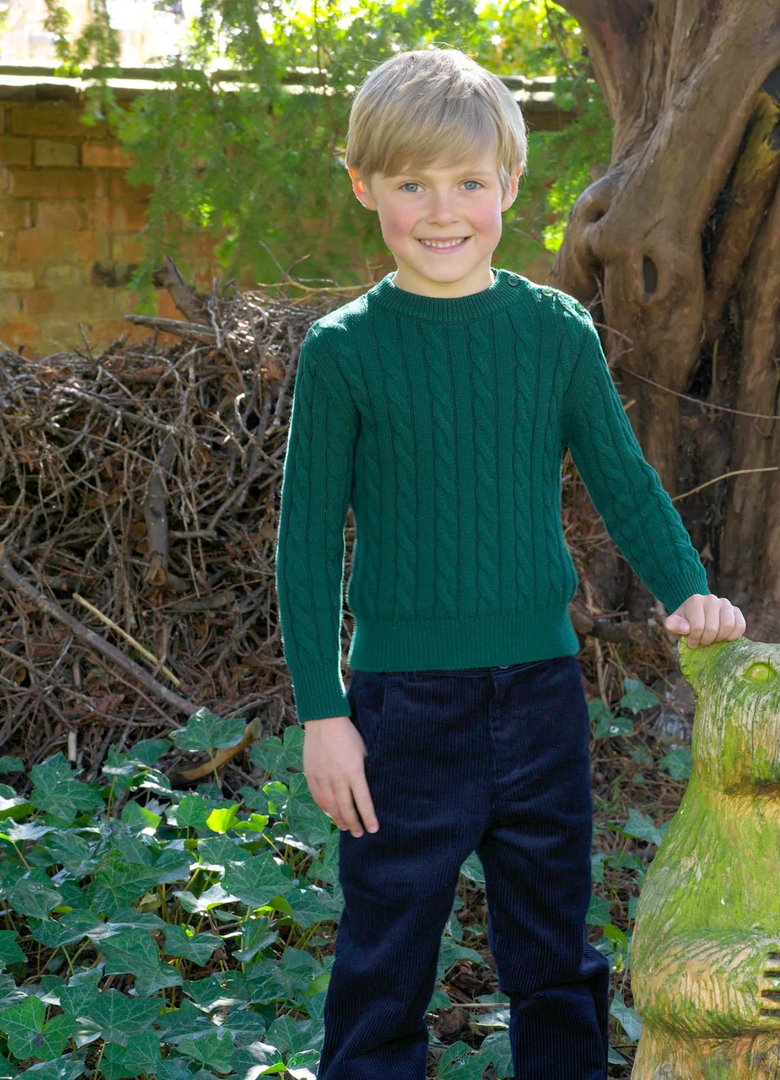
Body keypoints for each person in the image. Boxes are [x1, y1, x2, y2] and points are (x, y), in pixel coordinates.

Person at [274, 45, 746, 1080]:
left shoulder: (554, 332)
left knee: (553, 957)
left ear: (510, 187)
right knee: (383, 960)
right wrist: (324, 712)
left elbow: (621, 478)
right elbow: (304, 542)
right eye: (411, 184)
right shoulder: (344, 351)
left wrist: (688, 588)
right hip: (400, 713)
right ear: (365, 186)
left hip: (539, 699)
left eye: (468, 184)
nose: (442, 212)